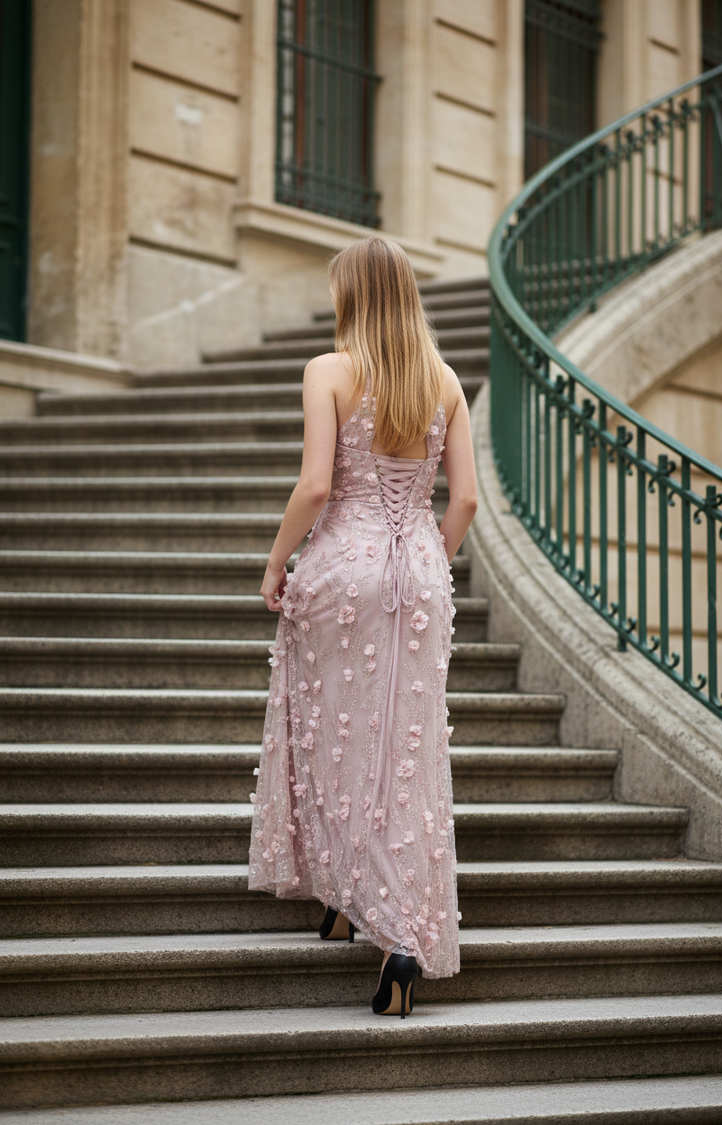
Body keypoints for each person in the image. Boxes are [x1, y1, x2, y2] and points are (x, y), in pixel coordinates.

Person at [248, 236, 478, 1017]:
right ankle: (393, 934)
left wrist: (278, 560)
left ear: (353, 296)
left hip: (341, 566)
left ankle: (359, 897)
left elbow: (316, 486)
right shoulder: (444, 381)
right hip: (419, 570)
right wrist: (423, 561)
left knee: (335, 737)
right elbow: (467, 503)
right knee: (404, 753)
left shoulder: (330, 370)